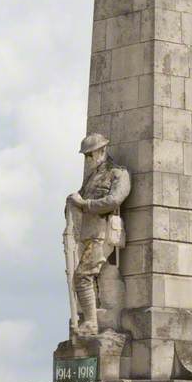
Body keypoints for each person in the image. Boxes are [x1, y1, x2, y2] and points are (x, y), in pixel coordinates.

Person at [65, 134, 131, 335]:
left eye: (90, 155)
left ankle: (91, 323)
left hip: (102, 232)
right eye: (85, 156)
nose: (88, 159)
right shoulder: (91, 177)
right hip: (86, 233)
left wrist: (85, 204)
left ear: (102, 150)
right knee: (87, 278)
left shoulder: (118, 174)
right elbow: (79, 201)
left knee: (83, 276)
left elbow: (114, 200)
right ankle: (90, 319)